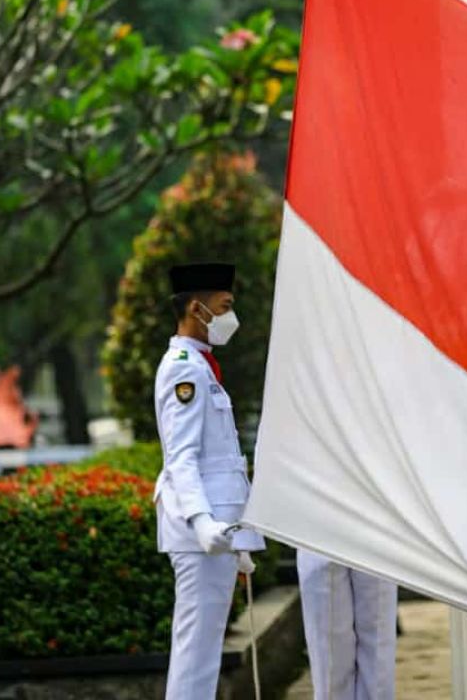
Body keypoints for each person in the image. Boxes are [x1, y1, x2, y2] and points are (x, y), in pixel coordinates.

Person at [154, 261, 265, 700]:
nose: (229, 316)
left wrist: (239, 539)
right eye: (224, 306)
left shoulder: (201, 367)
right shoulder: (184, 368)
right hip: (203, 533)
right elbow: (181, 458)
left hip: (218, 533)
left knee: (203, 652)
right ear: (196, 309)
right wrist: (202, 522)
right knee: (195, 655)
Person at [297, 549, 398, 700]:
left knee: (379, 644)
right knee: (328, 649)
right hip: (316, 534)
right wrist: (248, 537)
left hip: (377, 534)